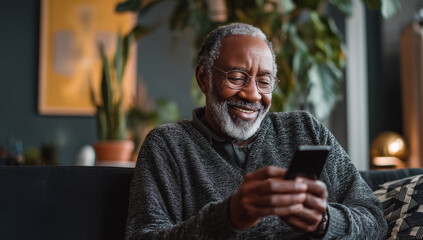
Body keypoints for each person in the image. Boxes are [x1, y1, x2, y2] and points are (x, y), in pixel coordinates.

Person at [125, 23, 387, 239]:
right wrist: (227, 217)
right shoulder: (168, 145)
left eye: (264, 81)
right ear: (204, 79)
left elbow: (374, 219)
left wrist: (326, 220)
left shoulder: (305, 130)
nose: (252, 94)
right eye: (236, 77)